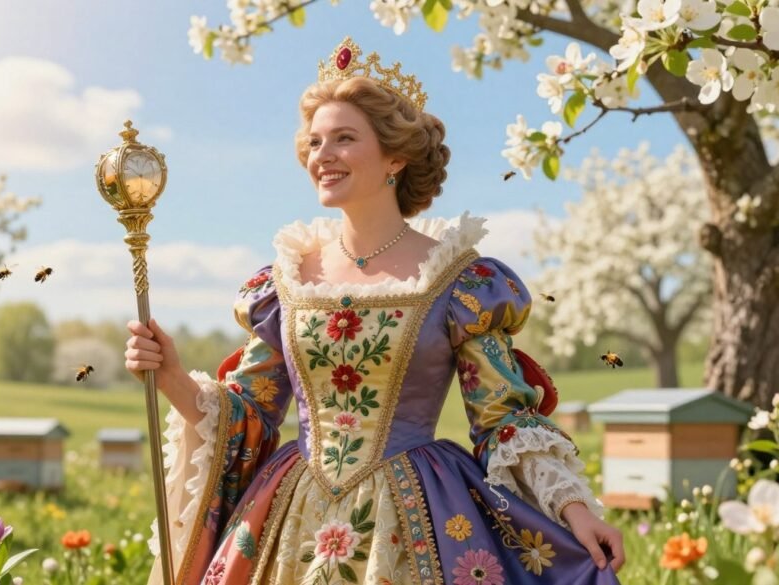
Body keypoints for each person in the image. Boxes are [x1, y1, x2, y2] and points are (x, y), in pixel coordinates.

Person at [126, 37, 624, 585]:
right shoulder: (286, 282)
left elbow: (504, 419)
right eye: (314, 142)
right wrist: (170, 374)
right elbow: (251, 413)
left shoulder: (460, 282)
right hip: (291, 518)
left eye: (344, 138)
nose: (323, 155)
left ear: (395, 156)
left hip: (417, 516)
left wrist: (575, 511)